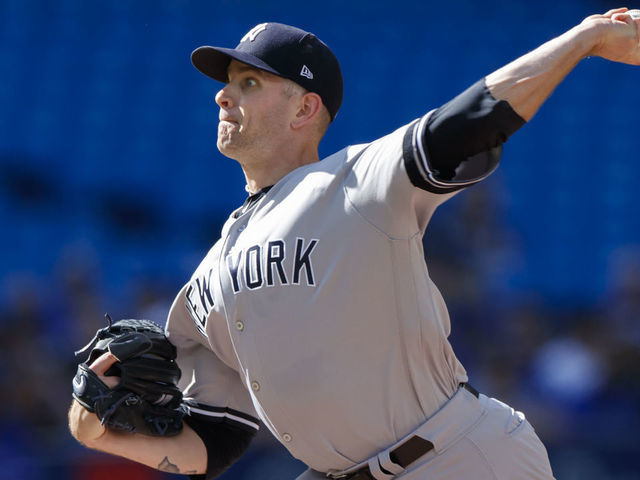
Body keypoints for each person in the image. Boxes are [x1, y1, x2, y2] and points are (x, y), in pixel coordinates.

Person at [69, 8, 640, 480]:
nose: (223, 97)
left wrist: (583, 38)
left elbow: (471, 122)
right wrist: (99, 428)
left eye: (249, 82)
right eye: (226, 84)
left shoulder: (356, 179)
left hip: (456, 459)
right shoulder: (211, 274)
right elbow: (216, 440)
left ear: (304, 107)